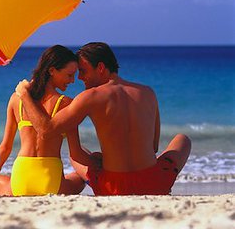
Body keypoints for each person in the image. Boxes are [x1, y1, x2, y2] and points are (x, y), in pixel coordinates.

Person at [15, 42, 191, 196]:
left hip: (112, 187)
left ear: (100, 68)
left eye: (83, 71)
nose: (80, 78)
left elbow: (46, 130)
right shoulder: (147, 92)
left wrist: (25, 95)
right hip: (154, 184)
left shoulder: (89, 96)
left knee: (75, 155)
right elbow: (153, 147)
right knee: (183, 139)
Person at [0, 45, 98, 196]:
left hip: (21, 181)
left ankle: (7, 185)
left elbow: (6, 145)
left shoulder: (16, 99)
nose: (72, 80)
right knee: (80, 178)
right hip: (51, 182)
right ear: (52, 71)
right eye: (69, 75)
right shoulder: (66, 103)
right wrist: (98, 164)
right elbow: (76, 154)